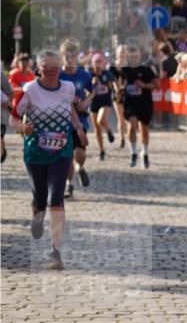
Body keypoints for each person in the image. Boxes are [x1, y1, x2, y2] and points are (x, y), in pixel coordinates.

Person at [11, 50, 88, 270]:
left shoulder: (68, 88)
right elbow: (13, 118)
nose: (51, 71)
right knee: (40, 199)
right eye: (46, 67)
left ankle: (55, 251)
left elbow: (70, 109)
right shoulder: (29, 90)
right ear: (38, 69)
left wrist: (78, 128)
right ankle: (37, 214)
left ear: (60, 68)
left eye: (55, 67)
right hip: (35, 152)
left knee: (56, 198)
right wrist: (23, 127)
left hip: (61, 151)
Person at [59, 39, 93, 198]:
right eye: (67, 56)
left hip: (80, 119)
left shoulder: (83, 74)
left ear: (77, 57)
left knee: (79, 153)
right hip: (61, 120)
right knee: (67, 156)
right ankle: (69, 185)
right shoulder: (57, 75)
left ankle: (81, 167)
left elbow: (92, 91)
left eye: (72, 56)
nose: (70, 59)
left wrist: (86, 102)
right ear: (62, 56)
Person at [120, 45, 158, 168]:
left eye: (136, 57)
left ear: (140, 56)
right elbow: (119, 84)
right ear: (128, 57)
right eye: (132, 57)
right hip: (130, 102)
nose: (134, 59)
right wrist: (121, 89)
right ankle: (133, 152)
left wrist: (144, 85)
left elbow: (156, 85)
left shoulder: (147, 70)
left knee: (144, 130)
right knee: (131, 125)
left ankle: (145, 153)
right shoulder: (124, 70)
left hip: (145, 102)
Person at [89, 53, 116, 159]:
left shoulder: (107, 74)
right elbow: (86, 91)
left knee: (101, 120)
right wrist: (92, 84)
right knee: (97, 129)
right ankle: (102, 150)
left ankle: (108, 130)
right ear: (92, 63)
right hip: (93, 103)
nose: (98, 64)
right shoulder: (89, 75)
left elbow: (113, 84)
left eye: (100, 62)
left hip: (105, 102)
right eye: (96, 62)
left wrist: (116, 90)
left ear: (103, 63)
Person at [110, 45, 129, 148]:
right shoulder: (113, 66)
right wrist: (117, 89)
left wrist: (124, 86)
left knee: (128, 118)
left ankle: (130, 137)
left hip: (127, 94)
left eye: (124, 51)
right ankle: (122, 139)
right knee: (121, 118)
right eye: (120, 51)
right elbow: (112, 80)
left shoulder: (129, 66)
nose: (122, 53)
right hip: (117, 95)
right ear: (117, 53)